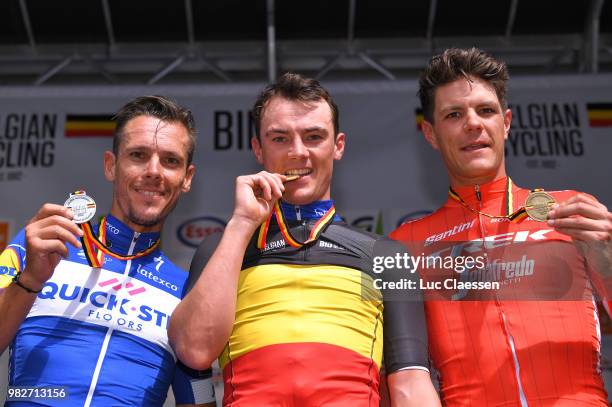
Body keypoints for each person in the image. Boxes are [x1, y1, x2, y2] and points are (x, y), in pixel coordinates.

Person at [169, 73, 440, 406]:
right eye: (280, 138)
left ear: (337, 146)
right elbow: (192, 355)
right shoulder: (223, 248)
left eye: (313, 136)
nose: (298, 152)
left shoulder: (387, 256)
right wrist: (241, 224)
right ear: (257, 148)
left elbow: (411, 381)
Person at [390, 47, 612, 406]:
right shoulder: (405, 244)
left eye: (486, 110)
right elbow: (399, 370)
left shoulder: (570, 210)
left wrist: (608, 254)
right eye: (454, 114)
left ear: (506, 123)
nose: (473, 123)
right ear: (430, 133)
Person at [0, 96, 215, 406]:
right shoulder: (42, 245)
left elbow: (199, 400)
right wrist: (30, 281)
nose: (154, 171)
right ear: (111, 166)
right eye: (139, 155)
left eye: (170, 160)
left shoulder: (187, 294)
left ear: (187, 178)